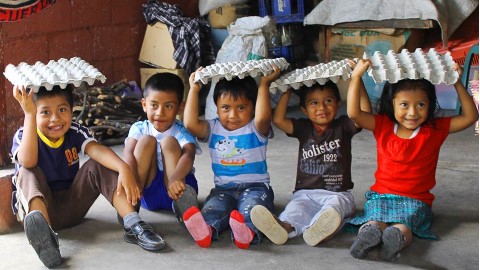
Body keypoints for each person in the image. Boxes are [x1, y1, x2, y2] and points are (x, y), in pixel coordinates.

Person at [11, 85, 166, 268]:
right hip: (42, 212)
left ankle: (133, 225)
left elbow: (97, 151)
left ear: (71, 110)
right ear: (34, 113)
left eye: (62, 110)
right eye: (45, 112)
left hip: (72, 206)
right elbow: (28, 161)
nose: (55, 119)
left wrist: (124, 168)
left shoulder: (74, 131)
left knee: (97, 164)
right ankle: (46, 240)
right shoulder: (24, 134)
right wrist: (29, 115)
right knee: (28, 171)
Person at [346, 60, 478, 261]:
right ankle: (368, 235)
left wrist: (456, 82)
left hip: (416, 200)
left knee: (406, 224)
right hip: (382, 196)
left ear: (431, 104)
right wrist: (356, 78)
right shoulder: (382, 125)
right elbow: (354, 113)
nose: (412, 112)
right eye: (404, 105)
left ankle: (396, 239)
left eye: (421, 105)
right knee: (374, 218)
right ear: (392, 103)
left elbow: (470, 116)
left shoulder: (435, 130)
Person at [250, 72, 372, 246]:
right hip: (305, 193)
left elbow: (365, 113)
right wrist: (288, 90)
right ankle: (283, 228)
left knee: (334, 210)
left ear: (338, 105)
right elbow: (278, 120)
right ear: (304, 110)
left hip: (337, 192)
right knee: (295, 210)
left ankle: (320, 231)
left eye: (328, 101)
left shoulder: (344, 126)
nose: (321, 107)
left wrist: (357, 81)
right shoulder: (303, 128)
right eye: (314, 103)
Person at [182, 66, 281, 249]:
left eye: (241, 107)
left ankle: (246, 233)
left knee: (252, 209)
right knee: (212, 209)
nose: (233, 115)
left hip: (256, 188)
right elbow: (190, 124)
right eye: (225, 108)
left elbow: (264, 115)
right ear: (216, 109)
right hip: (223, 190)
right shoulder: (213, 129)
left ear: (253, 107)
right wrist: (194, 90)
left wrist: (264, 84)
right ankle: (207, 231)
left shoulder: (256, 128)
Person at [123, 72, 200, 224]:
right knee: (146, 141)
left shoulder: (180, 131)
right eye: (154, 105)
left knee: (169, 141)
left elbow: (189, 154)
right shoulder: (140, 128)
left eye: (168, 106)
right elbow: (128, 152)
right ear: (144, 105)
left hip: (179, 187)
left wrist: (176, 178)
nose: (160, 113)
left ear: (180, 108)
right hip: (147, 190)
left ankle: (185, 210)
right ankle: (131, 206)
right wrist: (132, 181)